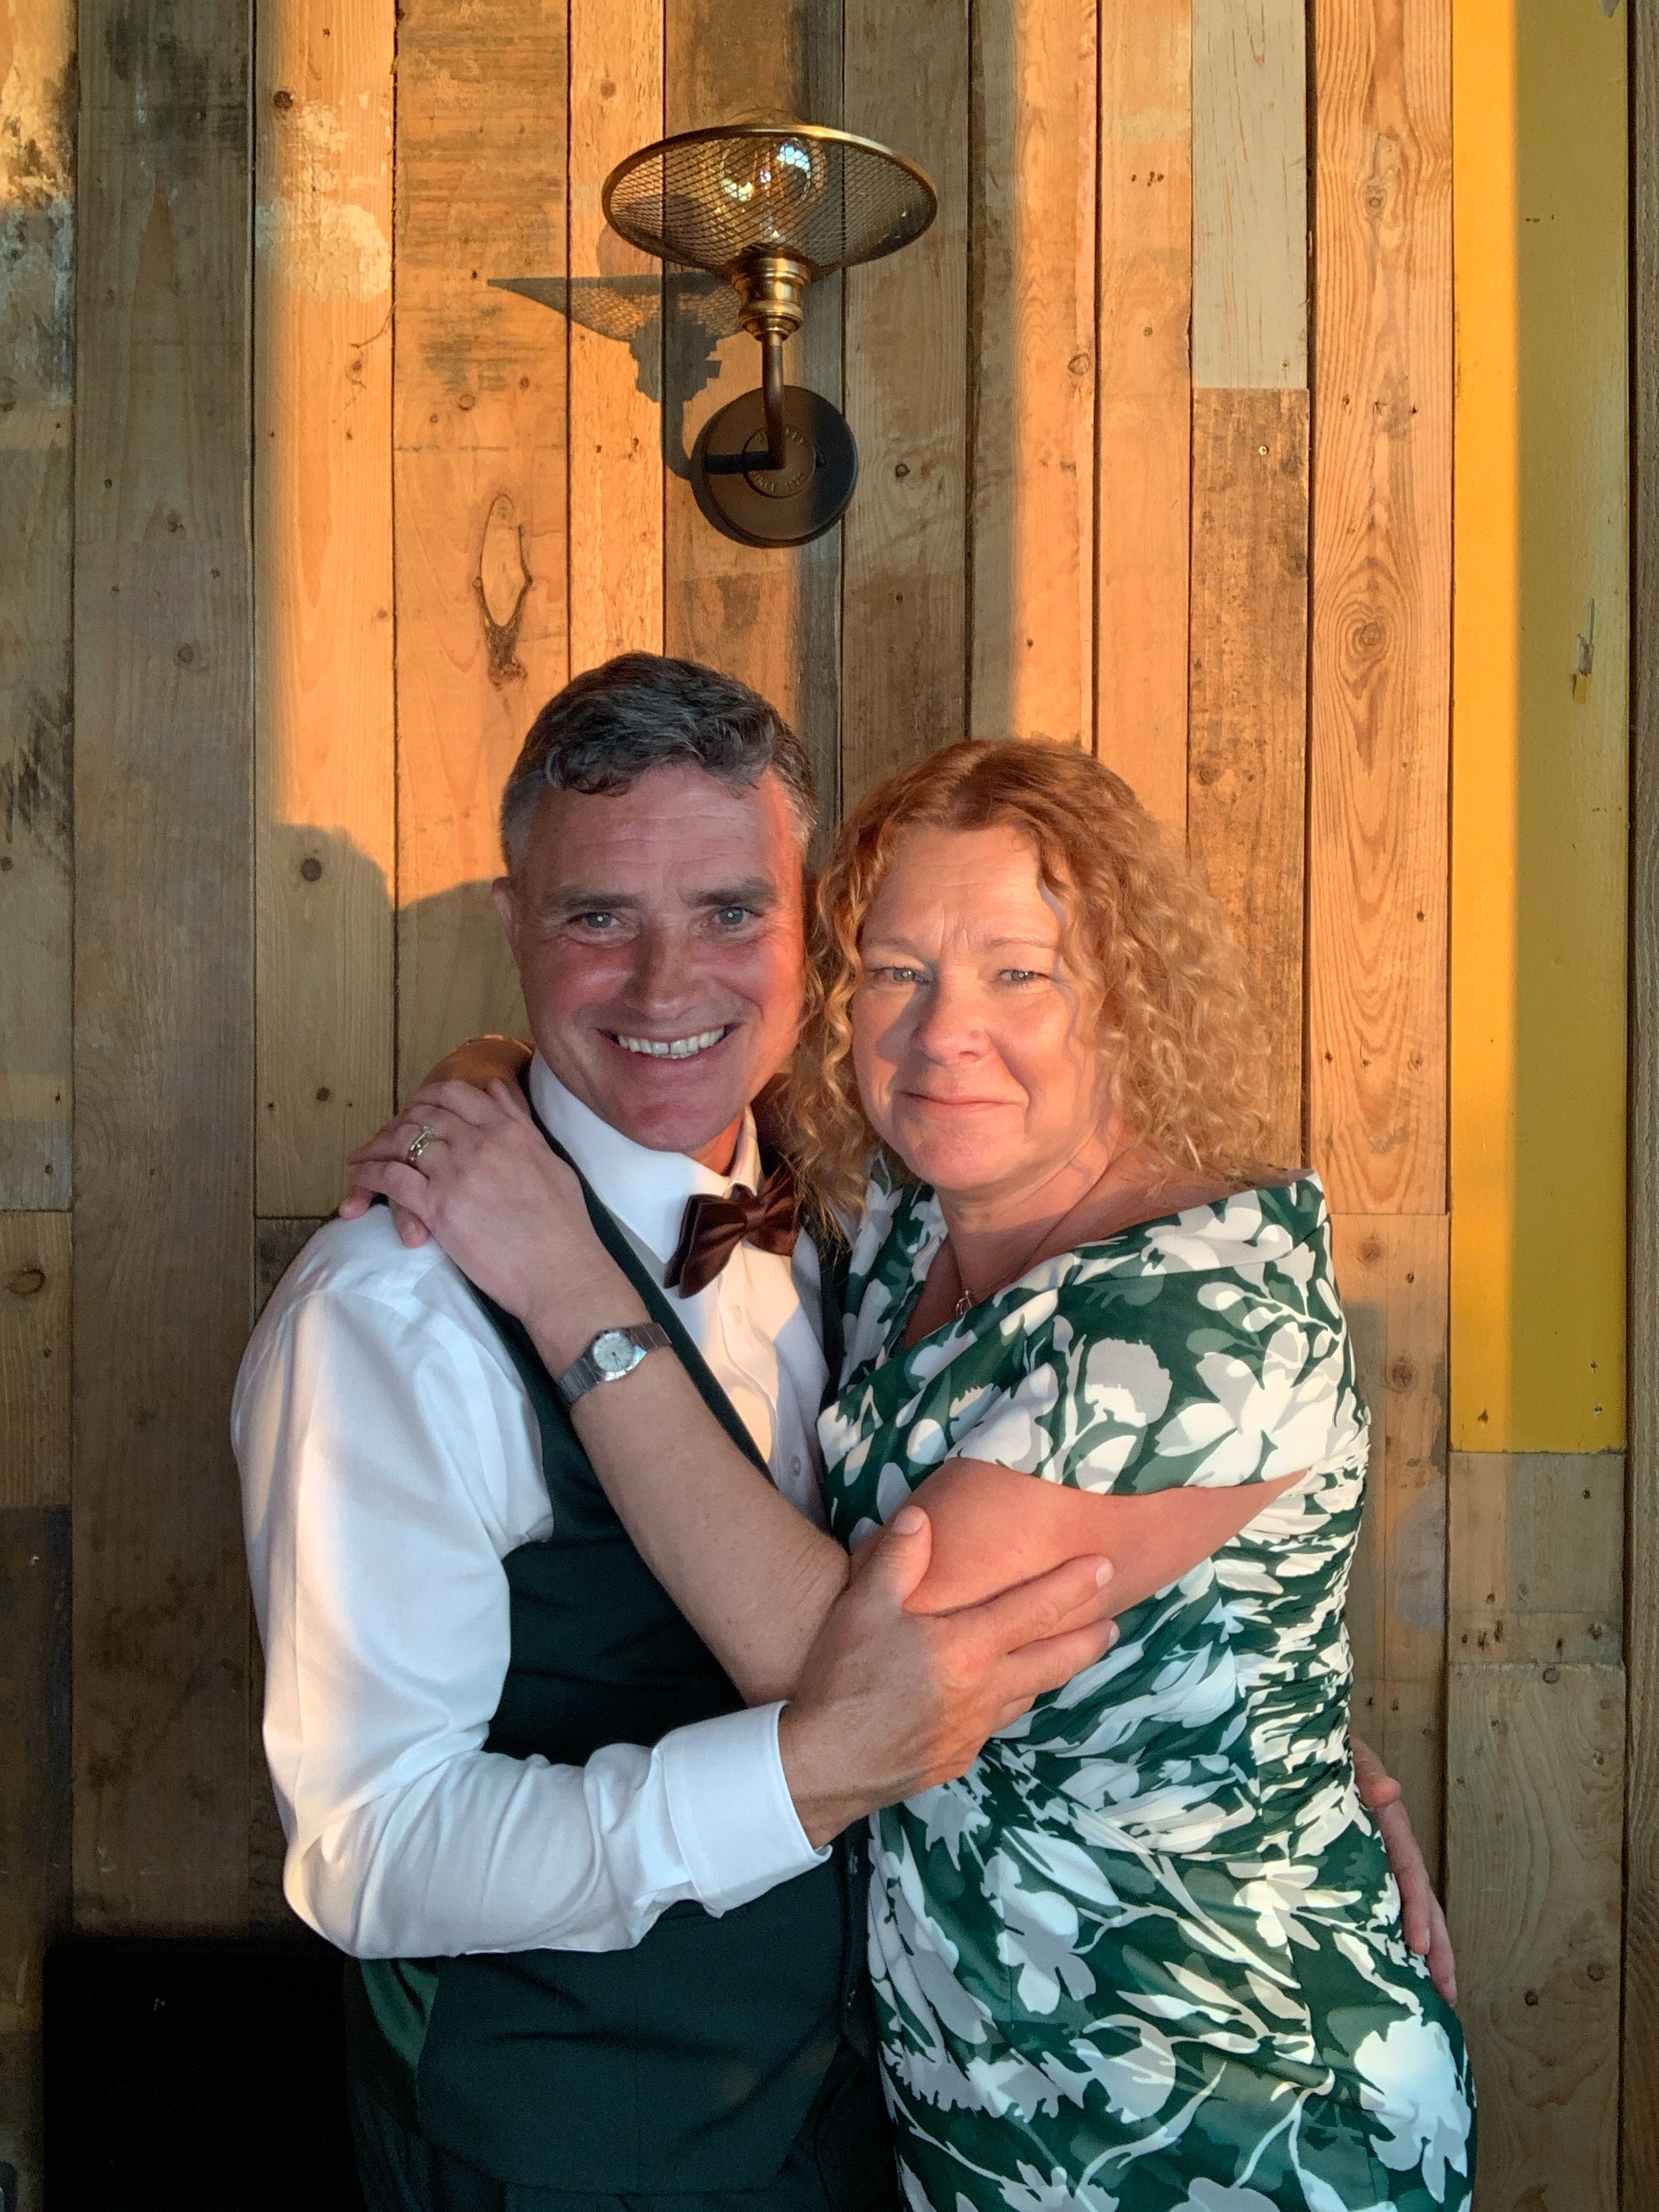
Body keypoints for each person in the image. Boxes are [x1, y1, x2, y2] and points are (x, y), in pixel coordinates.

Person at [347, 734, 1475, 2211]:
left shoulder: (1206, 1315)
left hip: (1217, 2094)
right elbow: (622, 1056)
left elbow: (844, 1672)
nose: (948, 1033)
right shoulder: (906, 1213)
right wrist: (484, 1085)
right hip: (964, 2102)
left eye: (1020, 972)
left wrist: (566, 1281)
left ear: (1126, 992)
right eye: (897, 971)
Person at [234, 657, 1127, 2212]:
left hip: (888, 2122)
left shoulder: (876, 1206)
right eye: (599, 917)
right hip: (569, 2150)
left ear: (810, 928)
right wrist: (790, 1779)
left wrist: (1296, 1753)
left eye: (729, 911)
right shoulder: (388, 1315)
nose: (665, 987)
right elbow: (369, 1847)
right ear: (514, 925)